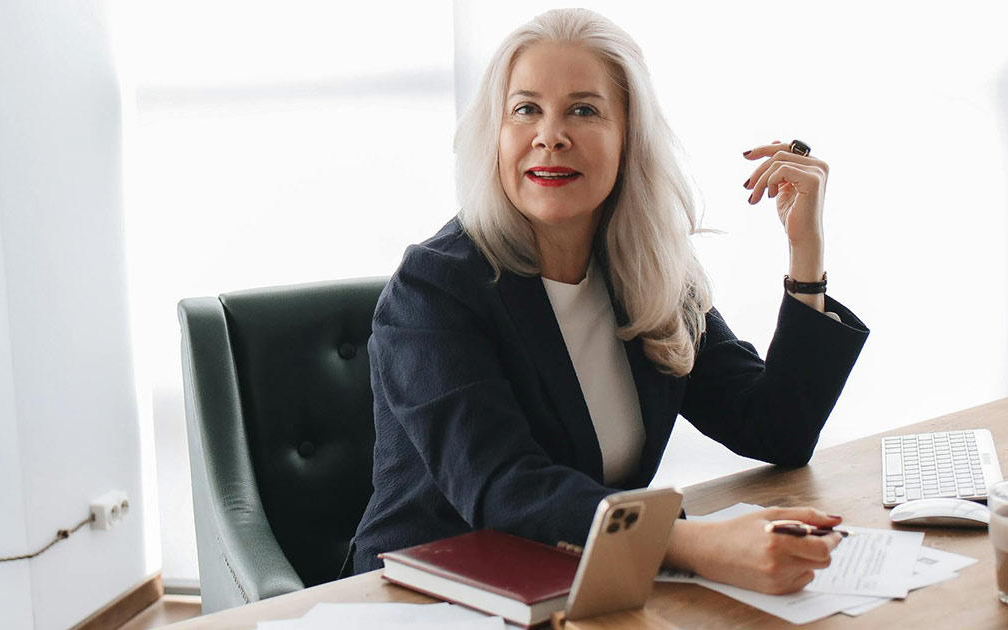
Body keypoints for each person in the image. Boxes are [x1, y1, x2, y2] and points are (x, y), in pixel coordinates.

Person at [347, 8, 868, 595]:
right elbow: (502, 487)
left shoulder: (647, 269)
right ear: (495, 134)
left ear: (629, 137)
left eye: (584, 110)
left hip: (583, 585)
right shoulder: (434, 290)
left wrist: (806, 251)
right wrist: (694, 545)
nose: (550, 135)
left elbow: (776, 430)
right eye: (525, 110)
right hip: (431, 595)